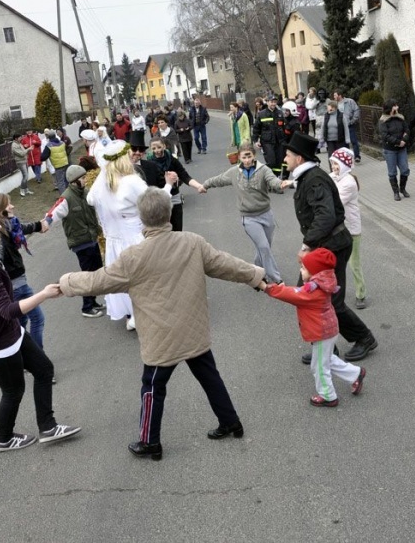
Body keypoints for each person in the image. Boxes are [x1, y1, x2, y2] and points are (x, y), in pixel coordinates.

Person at [59, 187, 265, 460]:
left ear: (142, 219)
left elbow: (98, 280)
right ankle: (230, 422)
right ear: (168, 213)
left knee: (152, 388)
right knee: (209, 377)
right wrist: (255, 276)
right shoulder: (192, 242)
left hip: (162, 337)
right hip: (193, 329)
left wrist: (66, 283)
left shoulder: (134, 257)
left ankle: (149, 442)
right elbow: (224, 264)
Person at [0, 208, 80, 452]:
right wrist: (43, 295)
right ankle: (3, 438)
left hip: (11, 335)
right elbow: (8, 310)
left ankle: (48, 427)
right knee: (13, 390)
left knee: (44, 369)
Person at [281, 132, 378, 363]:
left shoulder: (314, 179)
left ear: (299, 159)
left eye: (288, 154)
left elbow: (325, 216)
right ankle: (326, 347)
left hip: (332, 246)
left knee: (329, 300)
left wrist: (306, 245)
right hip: (323, 246)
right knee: (307, 295)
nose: (284, 158)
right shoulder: (308, 177)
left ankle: (363, 338)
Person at [263, 248, 366, 407]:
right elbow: (296, 291)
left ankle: (328, 395)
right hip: (327, 330)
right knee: (327, 359)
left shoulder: (313, 291)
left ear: (315, 273)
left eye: (304, 268)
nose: (300, 270)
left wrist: (269, 288)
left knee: (318, 366)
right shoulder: (320, 285)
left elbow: (292, 294)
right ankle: (355, 374)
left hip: (322, 333)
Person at [201, 142, 284, 284]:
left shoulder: (263, 170)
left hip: (266, 215)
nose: (246, 160)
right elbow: (219, 179)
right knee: (263, 247)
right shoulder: (234, 172)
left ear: (254, 156)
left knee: (264, 247)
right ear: (239, 157)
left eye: (249, 156)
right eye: (243, 157)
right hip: (249, 218)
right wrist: (205, 185)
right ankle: (276, 279)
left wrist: (280, 184)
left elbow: (273, 181)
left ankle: (256, 272)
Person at [86, 141, 146, 331]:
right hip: (134, 237)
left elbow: (90, 199)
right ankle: (141, 314)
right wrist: (168, 187)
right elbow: (154, 201)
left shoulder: (104, 182)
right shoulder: (131, 181)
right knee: (143, 276)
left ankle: (132, 314)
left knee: (123, 278)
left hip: (114, 241)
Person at [0, 192, 51, 359]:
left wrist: (38, 225)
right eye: (8, 204)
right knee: (37, 319)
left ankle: (22, 358)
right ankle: (37, 359)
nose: (12, 206)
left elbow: (20, 228)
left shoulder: (7, 225)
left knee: (19, 324)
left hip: (16, 282)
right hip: (16, 285)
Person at [46, 165, 105, 319]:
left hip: (92, 238)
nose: (85, 180)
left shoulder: (85, 192)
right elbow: (53, 213)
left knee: (97, 270)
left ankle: (93, 301)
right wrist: (44, 223)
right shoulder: (66, 198)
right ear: (74, 181)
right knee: (87, 276)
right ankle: (87, 307)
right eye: (83, 178)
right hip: (81, 243)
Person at [329, 148, 366, 309]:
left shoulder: (349, 182)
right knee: (335, 264)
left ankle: (361, 294)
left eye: (336, 164)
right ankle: (335, 293)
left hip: (351, 230)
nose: (333, 167)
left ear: (344, 165)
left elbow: (335, 203)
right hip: (338, 229)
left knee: (354, 264)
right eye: (332, 164)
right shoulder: (334, 178)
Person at [148, 136, 206, 231]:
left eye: (159, 147)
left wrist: (199, 186)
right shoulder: (149, 163)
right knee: (163, 231)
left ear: (164, 146)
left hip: (174, 197)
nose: (157, 150)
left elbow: (185, 176)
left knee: (177, 229)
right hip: (159, 200)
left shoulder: (172, 160)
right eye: (154, 148)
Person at [378, 99, 410, 201]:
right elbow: (384, 135)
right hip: (390, 150)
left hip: (402, 149)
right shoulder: (383, 120)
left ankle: (402, 189)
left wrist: (404, 140)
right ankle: (396, 192)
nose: (397, 107)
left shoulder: (400, 117)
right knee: (392, 172)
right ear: (390, 108)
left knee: (405, 170)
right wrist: (397, 142)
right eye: (395, 106)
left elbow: (407, 130)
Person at [253, 95, 287, 177]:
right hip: (267, 142)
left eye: (275, 102)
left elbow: (284, 127)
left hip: (279, 142)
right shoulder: (261, 114)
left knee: (279, 162)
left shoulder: (280, 113)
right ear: (267, 102)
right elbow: (256, 129)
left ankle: (276, 179)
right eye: (271, 102)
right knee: (271, 162)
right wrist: (255, 141)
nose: (273, 104)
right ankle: (269, 177)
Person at [332, 88, 361, 163]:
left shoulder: (349, 101)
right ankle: (347, 157)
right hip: (341, 127)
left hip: (349, 125)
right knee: (345, 142)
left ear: (340, 95)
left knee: (353, 141)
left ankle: (357, 156)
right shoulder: (334, 104)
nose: (334, 97)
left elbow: (356, 110)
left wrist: (353, 120)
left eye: (335, 95)